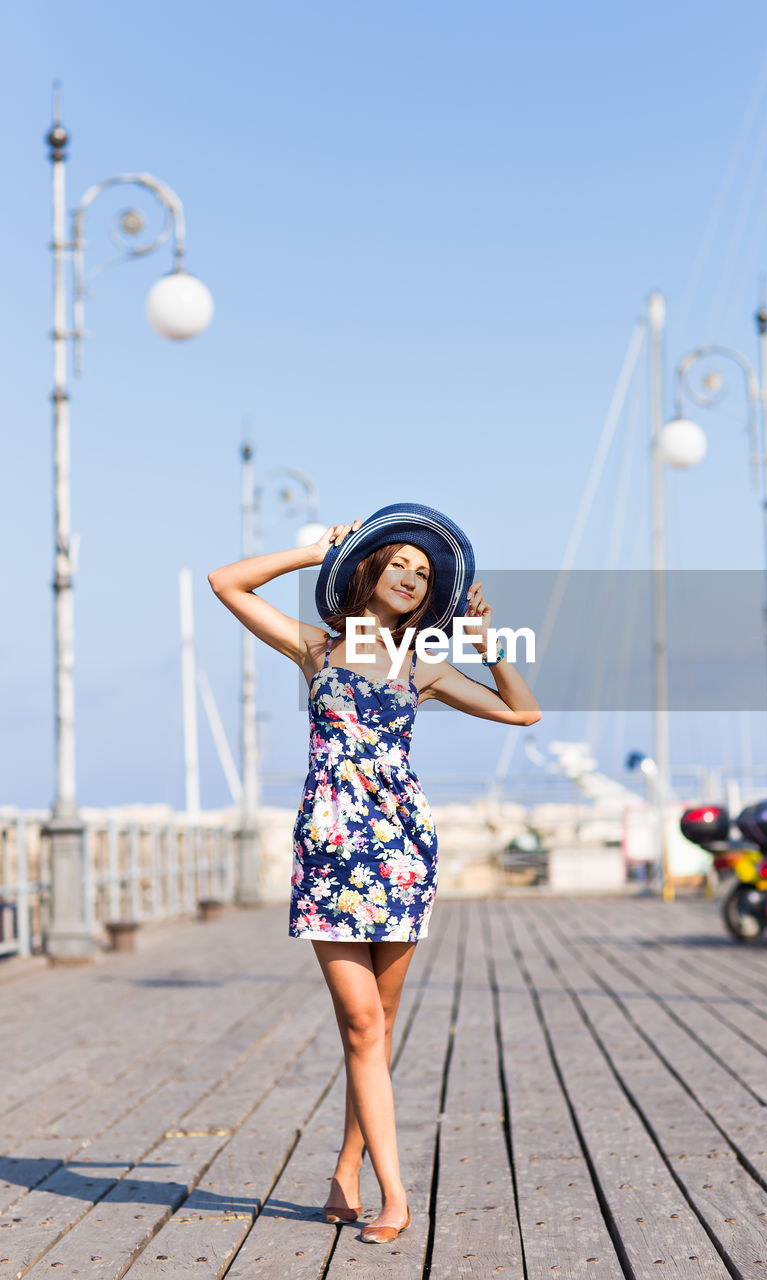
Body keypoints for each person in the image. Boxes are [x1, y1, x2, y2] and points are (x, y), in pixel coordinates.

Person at [208, 501, 541, 1244]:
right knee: (362, 1023)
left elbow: (523, 715)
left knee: (376, 1029)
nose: (411, 579)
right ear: (368, 570)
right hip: (329, 851)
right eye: (398, 564)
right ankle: (397, 1197)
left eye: (423, 575)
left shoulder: (423, 666)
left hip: (399, 850)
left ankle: (348, 1168)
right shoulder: (315, 650)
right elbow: (225, 583)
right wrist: (312, 553)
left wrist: (490, 649)